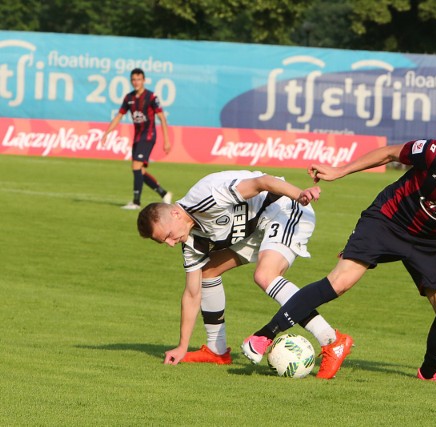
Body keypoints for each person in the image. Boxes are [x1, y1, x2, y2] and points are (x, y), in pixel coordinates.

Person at [242, 138, 436, 383]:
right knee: (340, 281)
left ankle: (429, 373)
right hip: (385, 221)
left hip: (429, 240)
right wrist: (339, 171)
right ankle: (264, 336)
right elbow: (388, 153)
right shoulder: (435, 152)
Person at [137, 170, 348, 379]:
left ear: (175, 214)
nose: (171, 243)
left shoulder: (207, 197)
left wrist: (299, 194)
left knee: (265, 275)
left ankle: (331, 340)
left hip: (283, 207)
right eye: (163, 242)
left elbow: (262, 182)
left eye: (168, 236)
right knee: (208, 272)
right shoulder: (190, 241)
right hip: (254, 228)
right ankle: (216, 351)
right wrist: (182, 346)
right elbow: (192, 294)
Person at [101, 68, 172, 210]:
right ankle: (164, 193)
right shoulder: (129, 98)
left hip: (149, 135)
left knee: (135, 166)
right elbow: (119, 116)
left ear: (144, 80)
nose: (136, 82)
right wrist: (107, 132)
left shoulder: (151, 97)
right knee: (140, 171)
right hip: (137, 137)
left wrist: (166, 140)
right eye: (133, 80)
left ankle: (136, 202)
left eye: (139, 79)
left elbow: (162, 118)